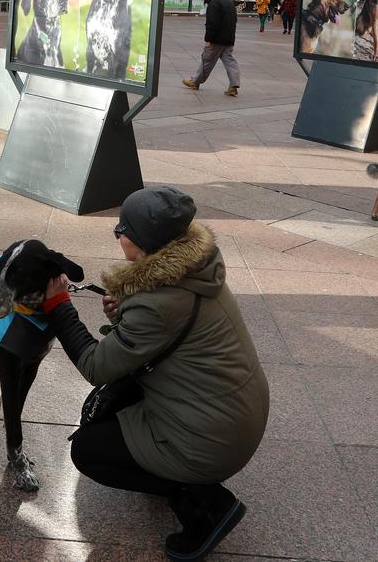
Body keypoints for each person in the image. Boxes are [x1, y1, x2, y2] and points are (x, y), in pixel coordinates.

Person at [45, 187, 269, 562]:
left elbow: (95, 366)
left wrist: (58, 306)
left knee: (88, 451)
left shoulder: (155, 304)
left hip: (215, 440)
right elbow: (166, 333)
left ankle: (205, 505)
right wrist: (125, 313)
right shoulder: (197, 268)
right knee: (118, 401)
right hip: (237, 414)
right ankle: (179, 473)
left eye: (122, 229)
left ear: (143, 242)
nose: (117, 234)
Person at [182, 0, 239, 97]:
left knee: (207, 60)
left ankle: (195, 82)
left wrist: (208, 39)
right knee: (230, 62)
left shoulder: (214, 4)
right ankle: (234, 86)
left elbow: (212, 24)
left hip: (216, 40)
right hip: (229, 39)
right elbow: (234, 21)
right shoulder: (230, 3)